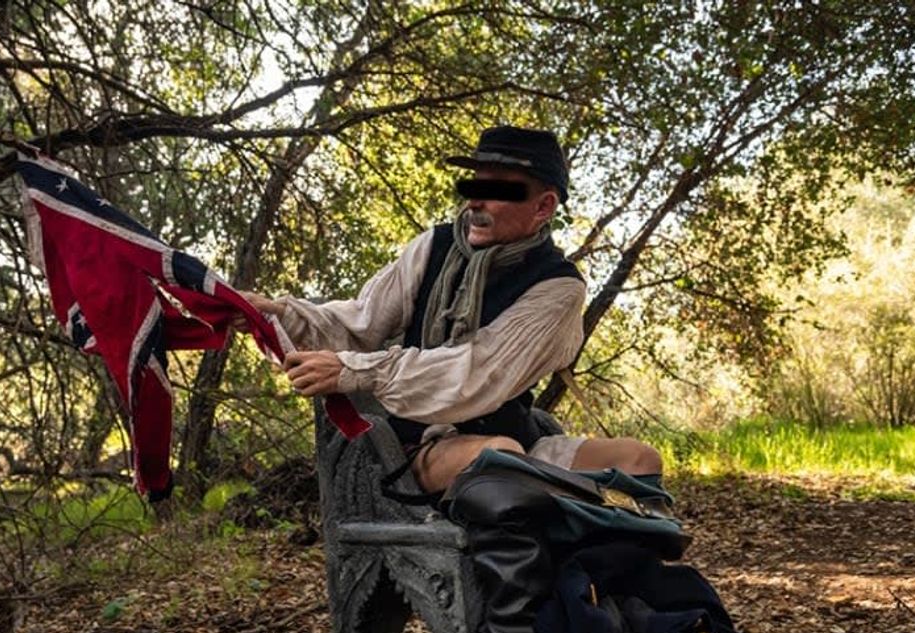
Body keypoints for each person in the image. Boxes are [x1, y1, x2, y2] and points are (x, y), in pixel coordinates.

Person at [242, 125, 662, 494]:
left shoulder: (558, 286)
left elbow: (478, 373)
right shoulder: (434, 247)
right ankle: (531, 581)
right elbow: (360, 322)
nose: (475, 202)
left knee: (640, 460)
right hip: (425, 442)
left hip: (515, 439)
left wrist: (359, 371)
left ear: (543, 207)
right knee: (500, 457)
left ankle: (612, 578)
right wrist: (276, 314)